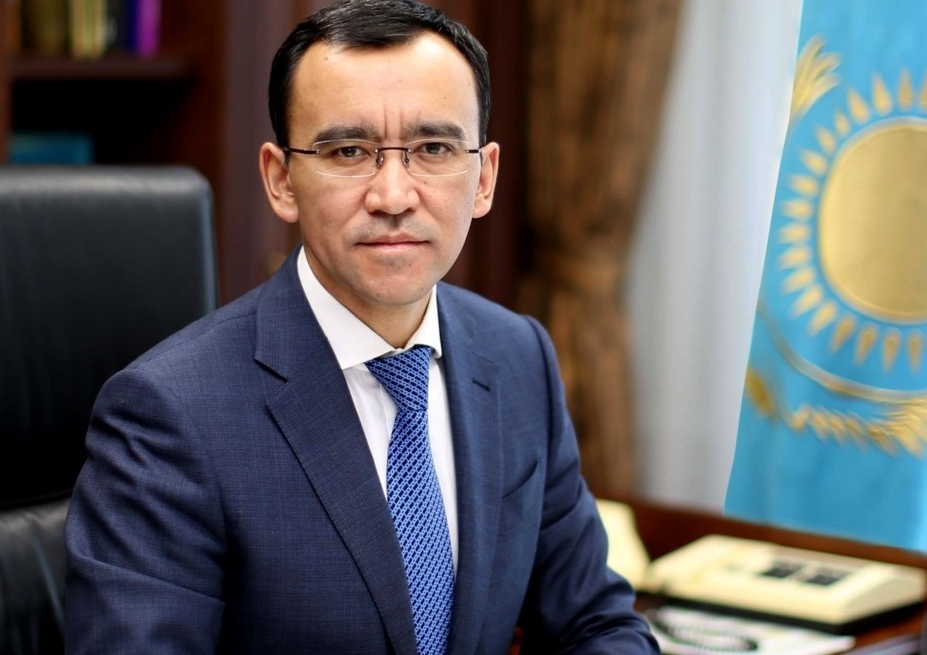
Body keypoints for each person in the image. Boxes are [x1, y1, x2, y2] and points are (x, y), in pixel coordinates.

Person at [64, 1, 660, 653]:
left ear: (483, 177)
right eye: (348, 151)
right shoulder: (169, 413)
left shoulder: (519, 356)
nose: (393, 196)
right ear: (281, 180)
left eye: (433, 149)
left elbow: (594, 620)